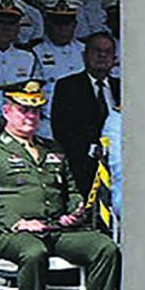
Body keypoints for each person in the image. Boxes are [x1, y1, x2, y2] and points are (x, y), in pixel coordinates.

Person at [0, 79, 120, 290]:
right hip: (14, 234)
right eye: (23, 110)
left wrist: (75, 209)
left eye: (35, 112)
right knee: (34, 252)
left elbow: (70, 189)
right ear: (7, 111)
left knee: (104, 247)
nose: (30, 117)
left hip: (56, 228)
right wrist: (18, 223)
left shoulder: (52, 149)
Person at [50, 32, 121, 196]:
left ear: (115, 58)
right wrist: (91, 149)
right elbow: (61, 129)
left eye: (108, 51)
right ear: (84, 55)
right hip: (83, 166)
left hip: (119, 167)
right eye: (97, 51)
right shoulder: (68, 86)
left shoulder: (123, 87)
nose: (102, 56)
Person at [30, 0, 85, 125]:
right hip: (47, 122)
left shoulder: (85, 51)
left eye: (67, 23)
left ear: (75, 25)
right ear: (48, 24)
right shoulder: (35, 52)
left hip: (80, 120)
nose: (62, 28)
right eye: (58, 23)